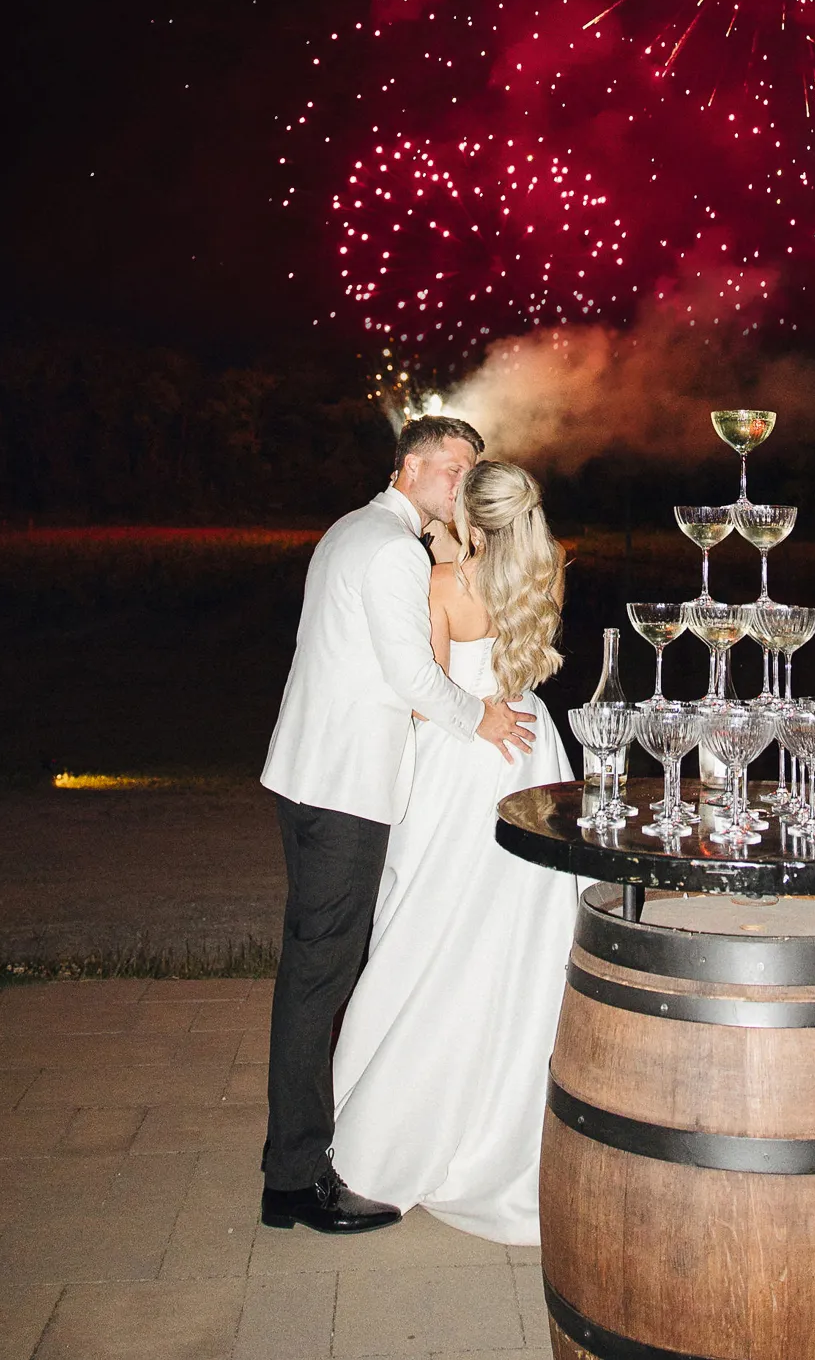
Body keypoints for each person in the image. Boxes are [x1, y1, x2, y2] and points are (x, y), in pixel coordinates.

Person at [259, 416, 536, 1237]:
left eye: (469, 472)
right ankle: (294, 1179)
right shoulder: (390, 550)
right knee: (319, 975)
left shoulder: (353, 530)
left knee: (316, 966)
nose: (460, 486)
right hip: (343, 788)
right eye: (451, 469)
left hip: (306, 774)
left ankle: (299, 1154)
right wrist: (477, 722)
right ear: (410, 466)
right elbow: (411, 672)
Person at [328, 459, 579, 1246]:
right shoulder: (545, 575)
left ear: (469, 518)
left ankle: (388, 1129)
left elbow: (425, 693)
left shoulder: (441, 585)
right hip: (533, 752)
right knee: (518, 944)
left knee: (427, 932)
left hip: (463, 756)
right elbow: (521, 665)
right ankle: (511, 1127)